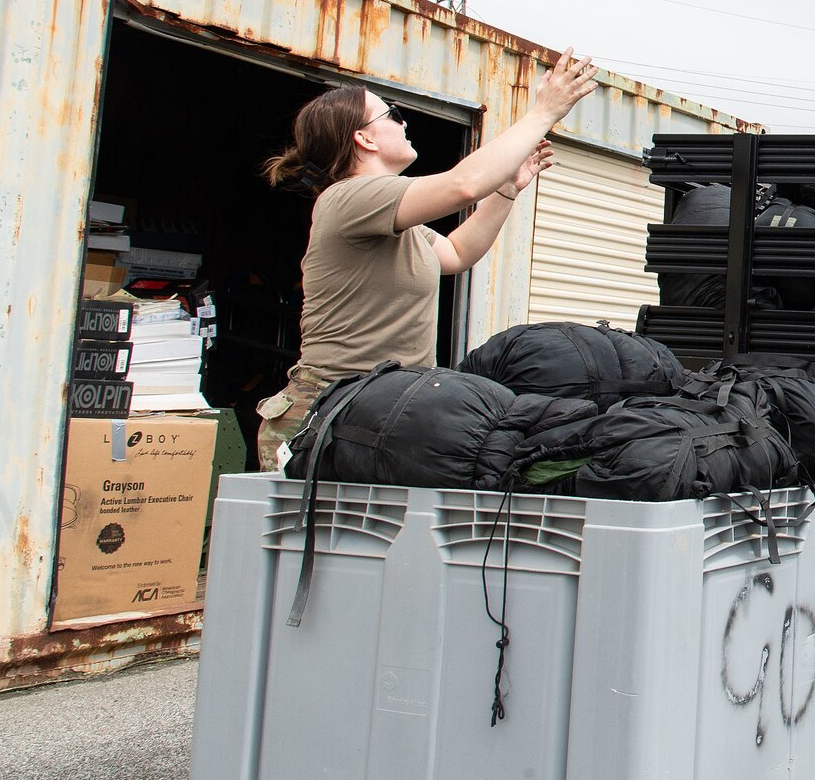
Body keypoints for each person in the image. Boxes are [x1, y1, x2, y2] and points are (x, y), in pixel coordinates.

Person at [253, 49, 599, 467]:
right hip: (323, 415)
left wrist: (506, 190)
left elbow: (456, 254)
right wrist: (544, 112)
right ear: (364, 138)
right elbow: (464, 185)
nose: (404, 121)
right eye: (392, 114)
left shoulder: (396, 221)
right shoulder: (347, 199)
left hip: (378, 409)